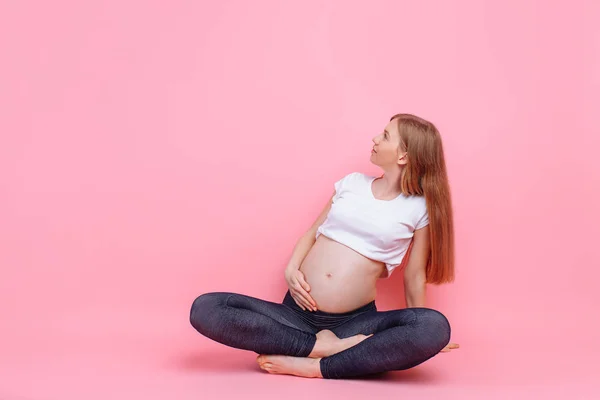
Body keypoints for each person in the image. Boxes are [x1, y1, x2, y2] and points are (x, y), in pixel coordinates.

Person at [190, 113, 460, 379]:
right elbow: (311, 234)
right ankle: (320, 348)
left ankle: (316, 367)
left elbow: (414, 275)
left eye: (386, 135)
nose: (375, 138)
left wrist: (422, 326)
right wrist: (291, 269)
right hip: (295, 314)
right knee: (207, 307)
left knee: (433, 326)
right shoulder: (352, 183)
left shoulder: (417, 208)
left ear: (403, 156)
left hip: (353, 324)